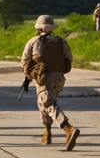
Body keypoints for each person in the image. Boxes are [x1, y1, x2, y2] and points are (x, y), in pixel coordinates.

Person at [21, 15, 80, 150]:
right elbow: (68, 58)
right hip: (59, 78)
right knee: (44, 102)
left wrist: (27, 78)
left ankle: (68, 128)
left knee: (48, 104)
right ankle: (47, 134)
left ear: (38, 27)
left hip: (43, 78)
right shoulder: (61, 41)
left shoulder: (33, 41)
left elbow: (25, 61)